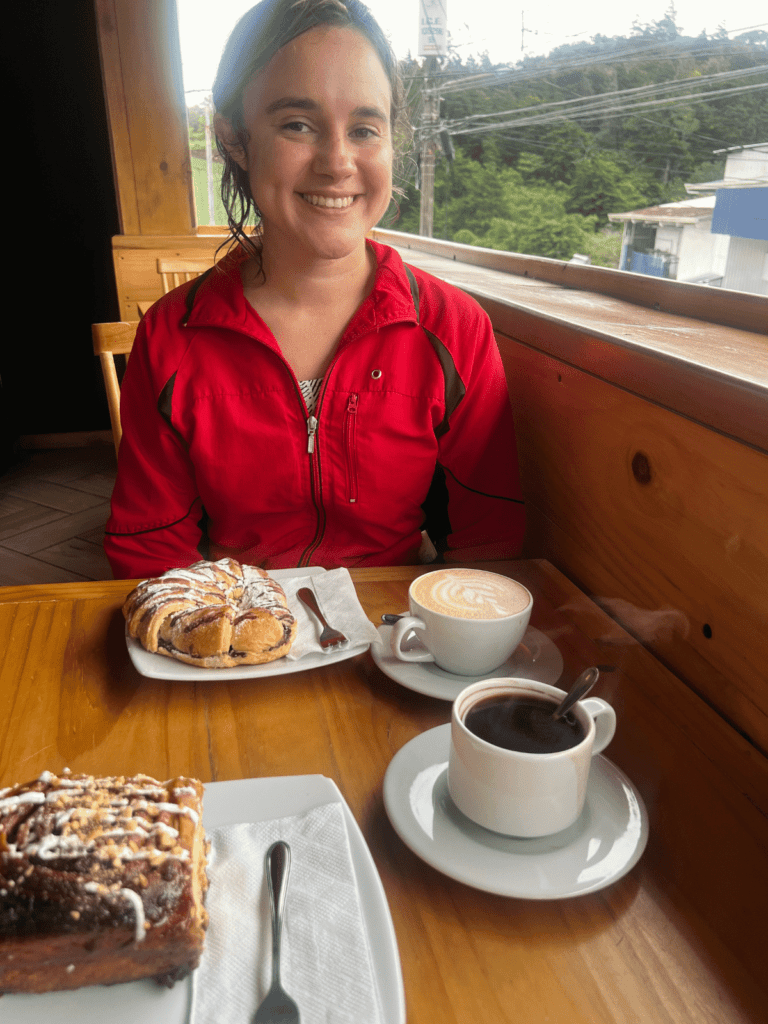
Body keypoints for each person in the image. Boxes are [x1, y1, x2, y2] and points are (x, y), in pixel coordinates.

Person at [104, 0, 525, 578]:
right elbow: (149, 548)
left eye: (364, 130)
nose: (337, 161)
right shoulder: (171, 335)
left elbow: (489, 538)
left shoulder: (453, 328)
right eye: (297, 125)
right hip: (235, 625)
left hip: (401, 633)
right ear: (235, 140)